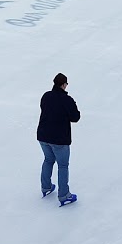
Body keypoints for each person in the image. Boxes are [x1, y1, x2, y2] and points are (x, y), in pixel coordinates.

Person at [37, 72, 81, 206]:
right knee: (63, 165)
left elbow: (44, 108)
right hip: (59, 139)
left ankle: (46, 187)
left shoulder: (46, 96)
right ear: (63, 85)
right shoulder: (67, 100)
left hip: (43, 136)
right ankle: (64, 195)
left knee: (48, 159)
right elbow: (75, 117)